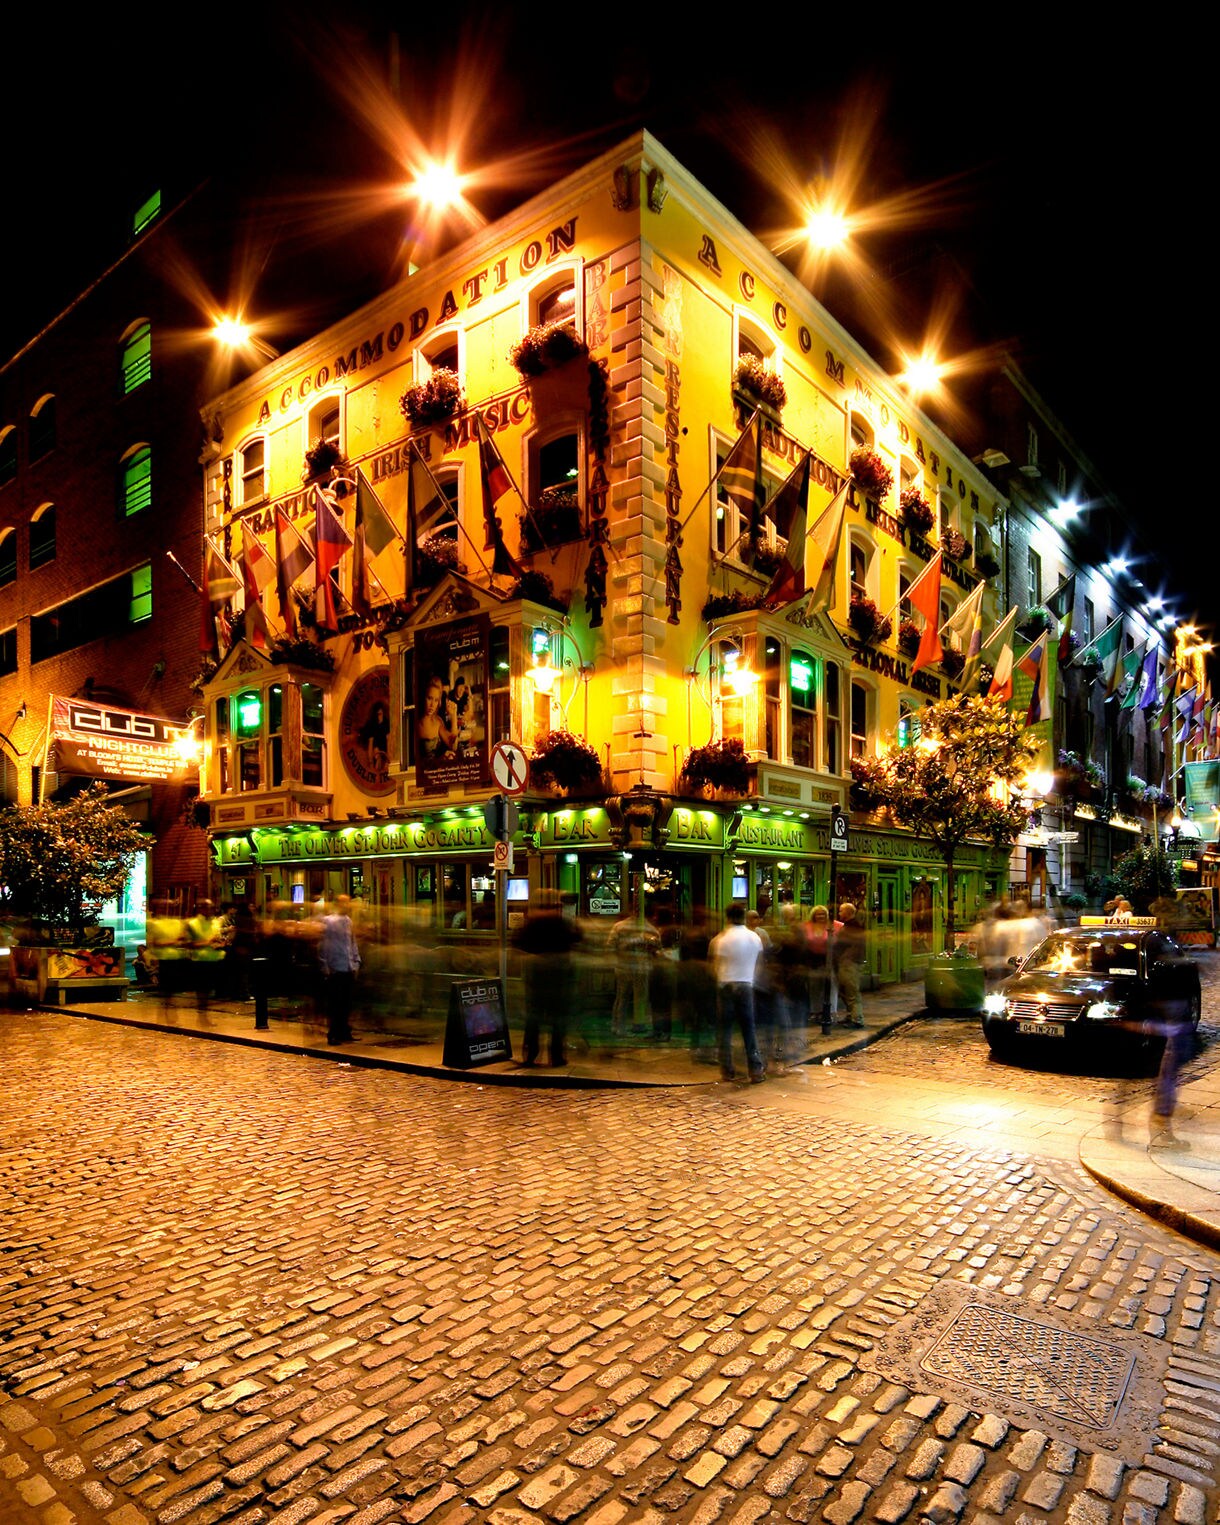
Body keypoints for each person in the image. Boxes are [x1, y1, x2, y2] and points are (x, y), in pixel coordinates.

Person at [512, 889, 583, 1066]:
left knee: (534, 1018)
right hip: (558, 975)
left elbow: (518, 942)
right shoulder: (561, 923)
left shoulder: (532, 923)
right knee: (558, 1019)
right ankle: (556, 1056)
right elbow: (577, 937)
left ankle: (530, 1055)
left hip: (536, 975)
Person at [710, 903, 765, 1083]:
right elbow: (759, 963)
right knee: (749, 1029)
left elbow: (715, 965)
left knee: (724, 1030)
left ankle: (727, 1069)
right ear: (743, 917)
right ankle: (755, 1069)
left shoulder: (720, 939)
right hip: (746, 985)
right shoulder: (754, 937)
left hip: (726, 984)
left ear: (727, 917)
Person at [608, 911, 660, 1037]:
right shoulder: (651, 929)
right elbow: (658, 947)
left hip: (623, 966)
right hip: (642, 967)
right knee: (641, 997)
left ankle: (618, 1027)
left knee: (622, 997)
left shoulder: (619, 926)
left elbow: (611, 945)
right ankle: (639, 1024)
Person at [319, 894, 361, 1044]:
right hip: (335, 967)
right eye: (344, 902)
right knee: (336, 1003)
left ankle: (344, 1031)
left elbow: (352, 942)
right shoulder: (329, 921)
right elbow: (324, 945)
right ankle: (334, 1033)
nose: (347, 905)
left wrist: (356, 962)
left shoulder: (348, 921)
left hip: (348, 966)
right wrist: (324, 965)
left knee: (346, 1002)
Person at [831, 901, 866, 1028]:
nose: (839, 913)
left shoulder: (854, 926)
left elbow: (854, 946)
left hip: (849, 963)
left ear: (848, 912)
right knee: (846, 991)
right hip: (845, 963)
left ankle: (857, 1019)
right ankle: (851, 1015)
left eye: (841, 911)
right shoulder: (849, 926)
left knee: (851, 992)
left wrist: (845, 958)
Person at [417, 675, 458, 760]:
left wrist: (454, 716)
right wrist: (441, 758)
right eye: (429, 698)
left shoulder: (438, 721)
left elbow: (453, 746)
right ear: (423, 697)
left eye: (436, 700)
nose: (432, 705)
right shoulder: (417, 723)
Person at [806, 905, 833, 1034]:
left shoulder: (832, 927)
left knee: (828, 988)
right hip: (812, 961)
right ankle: (815, 1011)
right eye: (818, 914)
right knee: (813, 987)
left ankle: (828, 1013)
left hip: (827, 961)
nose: (821, 916)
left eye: (823, 914)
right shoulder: (807, 927)